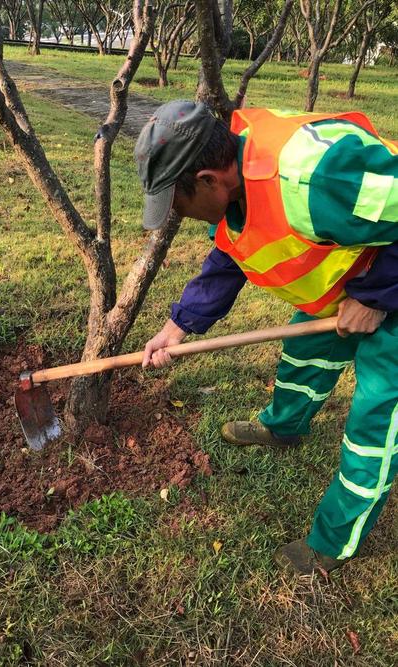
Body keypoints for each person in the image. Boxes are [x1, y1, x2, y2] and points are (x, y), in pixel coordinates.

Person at [135, 100, 398, 575]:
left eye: (176, 202)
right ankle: (284, 428)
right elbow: (231, 255)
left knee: (374, 426)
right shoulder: (238, 185)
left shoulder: (316, 178)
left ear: (210, 180)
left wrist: (377, 295)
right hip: (356, 273)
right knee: (305, 347)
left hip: (389, 281)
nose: (177, 214)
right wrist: (177, 327)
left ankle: (332, 544)